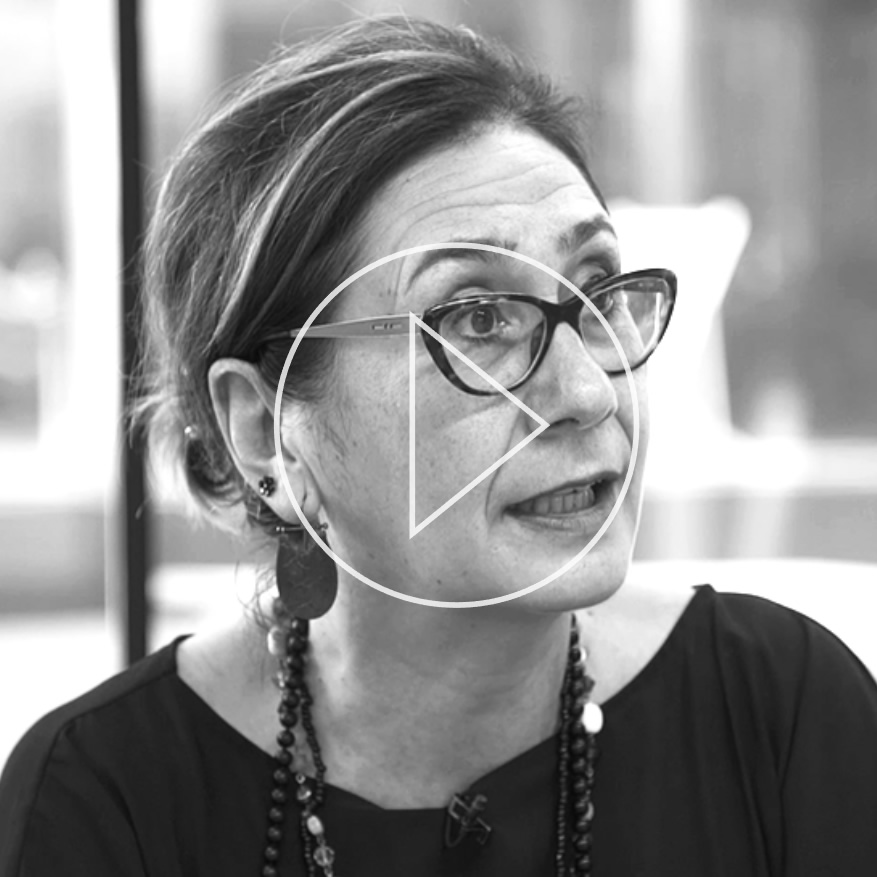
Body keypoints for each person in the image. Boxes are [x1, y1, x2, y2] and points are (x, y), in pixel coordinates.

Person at [1, 14, 876, 877]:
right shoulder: (99, 801)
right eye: (477, 319)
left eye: (597, 290)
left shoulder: (786, 718)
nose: (586, 393)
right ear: (266, 428)